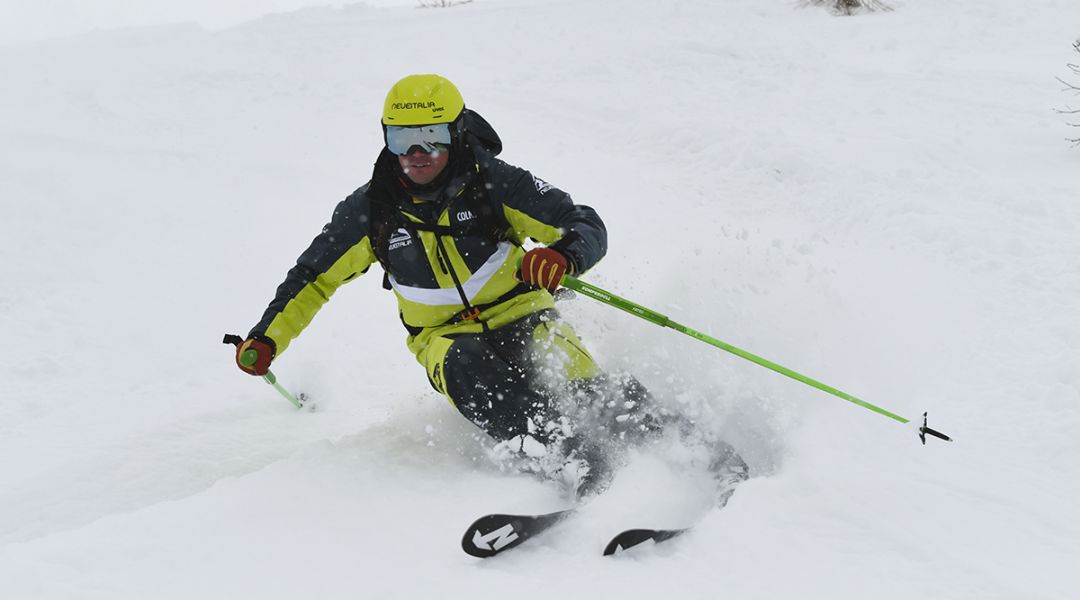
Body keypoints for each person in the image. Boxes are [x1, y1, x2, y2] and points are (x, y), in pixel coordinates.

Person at [234, 74, 746, 501]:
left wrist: (563, 256)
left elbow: (583, 223)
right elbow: (313, 277)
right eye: (401, 140)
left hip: (525, 313)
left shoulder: (495, 183)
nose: (416, 154)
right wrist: (268, 338)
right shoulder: (372, 210)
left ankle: (695, 451)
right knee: (469, 368)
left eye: (432, 137)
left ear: (457, 132)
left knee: (579, 378)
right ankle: (573, 462)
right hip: (443, 338)